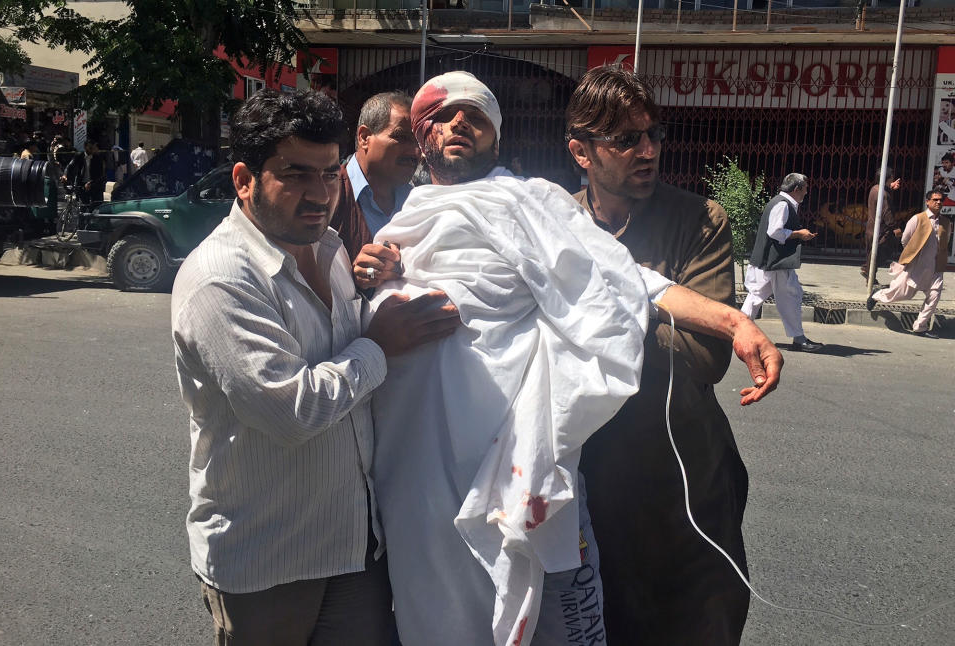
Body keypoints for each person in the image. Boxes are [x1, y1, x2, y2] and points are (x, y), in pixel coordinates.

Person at [362, 70, 782, 646]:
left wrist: (733, 320)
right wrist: (384, 288)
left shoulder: (534, 203)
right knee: (435, 609)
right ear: (420, 135)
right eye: (442, 114)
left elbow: (624, 280)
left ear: (498, 138)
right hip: (423, 463)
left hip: (545, 455)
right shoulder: (402, 227)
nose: (459, 122)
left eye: (477, 115)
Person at [170, 89, 461, 646]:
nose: (319, 193)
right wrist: (379, 344)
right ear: (243, 179)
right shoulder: (222, 279)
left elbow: (352, 360)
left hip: (354, 546)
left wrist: (383, 281)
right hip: (268, 562)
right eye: (295, 174)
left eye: (330, 174)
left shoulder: (330, 248)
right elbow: (290, 410)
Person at [564, 64, 750, 645]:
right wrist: (653, 302)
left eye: (654, 134)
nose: (647, 150)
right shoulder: (554, 225)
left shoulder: (699, 220)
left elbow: (701, 356)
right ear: (581, 152)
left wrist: (588, 309)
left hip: (684, 489)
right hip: (587, 486)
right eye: (625, 139)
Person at [329, 91, 420, 272]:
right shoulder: (328, 193)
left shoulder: (417, 200)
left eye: (418, 140)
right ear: (364, 138)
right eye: (401, 137)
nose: (415, 151)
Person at [741, 173, 824, 352]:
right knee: (790, 297)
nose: (807, 192)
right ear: (796, 189)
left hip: (771, 261)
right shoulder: (782, 205)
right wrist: (798, 234)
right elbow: (775, 232)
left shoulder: (780, 202)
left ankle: (739, 331)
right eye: (805, 188)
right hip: (776, 261)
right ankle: (798, 339)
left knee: (757, 297)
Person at [866, 189, 952, 338]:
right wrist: (912, 253)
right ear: (927, 201)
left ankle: (920, 327)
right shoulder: (918, 219)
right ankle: (877, 294)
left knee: (934, 296)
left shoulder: (946, 222)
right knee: (902, 293)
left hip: (936, 266)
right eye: (935, 199)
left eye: (940, 200)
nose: (939, 202)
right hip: (917, 264)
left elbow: (946, 241)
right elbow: (905, 239)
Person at [861, 168, 902, 285]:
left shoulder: (875, 188)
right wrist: (895, 228)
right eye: (891, 178)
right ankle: (867, 270)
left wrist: (890, 187)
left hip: (871, 228)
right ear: (888, 178)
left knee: (873, 252)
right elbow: (886, 212)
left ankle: (869, 275)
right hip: (880, 230)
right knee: (882, 251)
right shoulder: (883, 194)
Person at [62, 140, 105, 206]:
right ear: (85, 147)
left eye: (93, 148)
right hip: (81, 185)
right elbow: (70, 166)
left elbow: (101, 174)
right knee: (83, 207)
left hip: (94, 184)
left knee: (96, 207)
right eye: (90, 148)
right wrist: (65, 175)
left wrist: (91, 183)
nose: (92, 150)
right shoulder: (79, 156)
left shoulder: (98, 158)